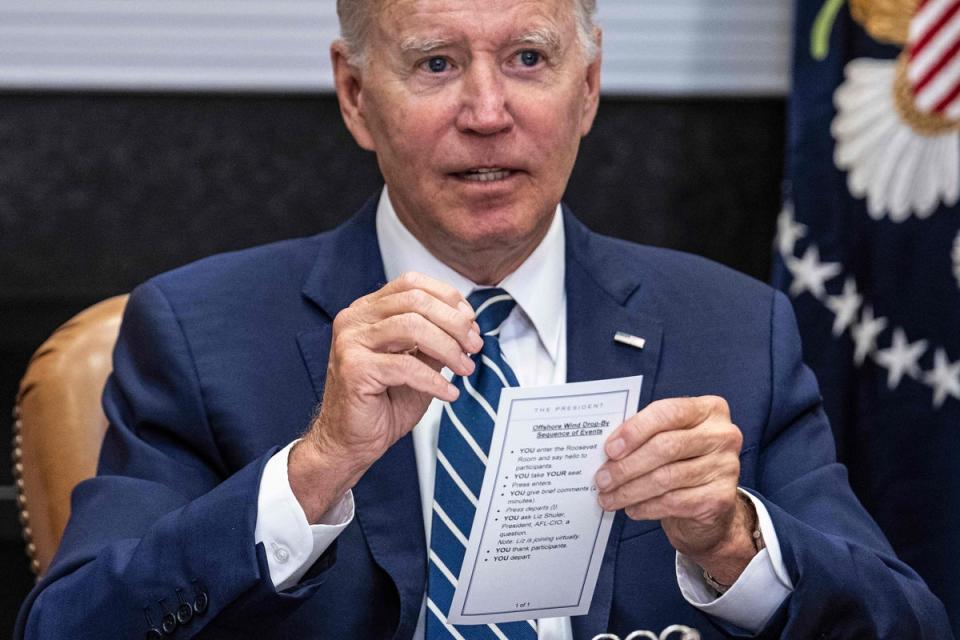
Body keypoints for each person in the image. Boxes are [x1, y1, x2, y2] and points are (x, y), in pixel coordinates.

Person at [15, 0, 952, 638]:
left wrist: (734, 543)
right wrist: (312, 471)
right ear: (355, 96)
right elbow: (71, 625)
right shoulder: (199, 331)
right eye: (435, 64)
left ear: (587, 91)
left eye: (529, 60)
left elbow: (908, 623)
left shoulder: (734, 329)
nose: (488, 112)